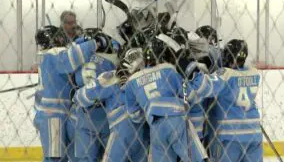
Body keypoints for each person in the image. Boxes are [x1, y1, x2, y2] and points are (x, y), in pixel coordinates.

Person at [124, 28, 207, 162]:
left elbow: (134, 115)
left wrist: (149, 112)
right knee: (197, 159)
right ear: (162, 55)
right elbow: (189, 95)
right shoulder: (168, 69)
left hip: (155, 125)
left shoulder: (132, 81)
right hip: (177, 119)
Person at [33, 25, 104, 162]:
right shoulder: (53, 53)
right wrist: (95, 43)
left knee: (63, 156)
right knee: (54, 158)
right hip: (52, 116)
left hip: (53, 113)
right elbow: (71, 57)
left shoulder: (47, 57)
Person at [188, 39, 262, 162]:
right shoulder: (254, 74)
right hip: (254, 134)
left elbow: (203, 87)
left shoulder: (226, 75)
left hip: (230, 136)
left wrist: (193, 71)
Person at [72, 48, 148, 162]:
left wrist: (76, 96)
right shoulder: (151, 77)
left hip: (121, 130)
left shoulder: (112, 76)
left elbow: (83, 97)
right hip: (145, 132)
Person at [69, 28, 122, 162]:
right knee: (109, 156)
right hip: (106, 114)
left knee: (85, 158)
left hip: (84, 113)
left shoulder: (77, 60)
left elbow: (73, 81)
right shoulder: (110, 61)